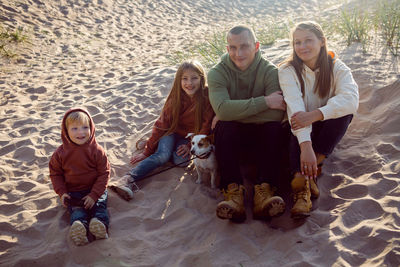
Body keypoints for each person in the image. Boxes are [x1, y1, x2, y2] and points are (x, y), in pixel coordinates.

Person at [278, 21, 359, 218]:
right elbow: (296, 110)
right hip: (294, 129)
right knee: (296, 122)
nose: (302, 47)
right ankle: (303, 188)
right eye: (297, 42)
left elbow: (351, 99)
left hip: (322, 127)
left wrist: (315, 115)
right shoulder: (287, 70)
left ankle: (304, 175)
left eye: (308, 41)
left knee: (342, 113)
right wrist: (306, 148)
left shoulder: (338, 67)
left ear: (322, 42)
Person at [207, 25, 287, 223]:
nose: (238, 53)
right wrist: (266, 102)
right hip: (234, 142)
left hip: (263, 140)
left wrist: (229, 112)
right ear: (227, 49)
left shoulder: (270, 71)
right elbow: (223, 110)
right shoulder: (217, 73)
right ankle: (234, 194)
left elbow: (276, 116)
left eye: (244, 46)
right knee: (224, 127)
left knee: (274, 128)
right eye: (233, 48)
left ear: (256, 46)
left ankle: (265, 193)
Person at [110, 60, 215, 201]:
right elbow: (162, 123)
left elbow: (205, 126)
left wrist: (190, 145)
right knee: (162, 156)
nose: (189, 83)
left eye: (194, 78)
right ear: (179, 80)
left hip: (189, 137)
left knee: (181, 161)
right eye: (185, 78)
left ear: (202, 79)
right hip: (170, 131)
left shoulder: (207, 96)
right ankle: (128, 179)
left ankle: (159, 145)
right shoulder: (176, 96)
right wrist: (147, 151)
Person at [49, 108, 111, 246]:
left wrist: (94, 194)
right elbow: (55, 174)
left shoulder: (97, 151)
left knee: (99, 207)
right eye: (75, 128)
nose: (81, 132)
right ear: (66, 131)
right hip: (74, 192)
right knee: (77, 212)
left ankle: (99, 224)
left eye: (85, 127)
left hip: (95, 189)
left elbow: (104, 173)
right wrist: (62, 192)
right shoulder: (60, 154)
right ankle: (79, 228)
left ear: (92, 128)